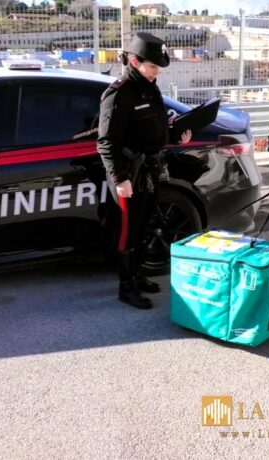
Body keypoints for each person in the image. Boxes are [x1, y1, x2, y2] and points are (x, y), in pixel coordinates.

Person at [97, 32, 192, 309]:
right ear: (135, 62)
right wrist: (120, 178)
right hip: (129, 174)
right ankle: (126, 287)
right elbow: (106, 142)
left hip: (150, 170)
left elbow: (154, 127)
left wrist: (175, 137)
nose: (156, 72)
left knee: (144, 227)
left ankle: (138, 276)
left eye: (158, 67)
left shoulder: (149, 87)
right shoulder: (119, 94)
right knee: (128, 231)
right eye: (152, 66)